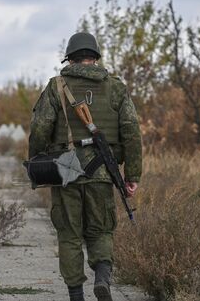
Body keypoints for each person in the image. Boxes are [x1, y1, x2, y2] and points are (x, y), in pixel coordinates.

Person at [28, 32, 142, 301]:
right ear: (95, 56)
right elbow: (132, 132)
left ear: (70, 57)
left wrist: (37, 161)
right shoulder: (116, 87)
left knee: (69, 234)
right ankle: (102, 278)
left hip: (65, 169)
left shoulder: (56, 86)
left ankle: (76, 295)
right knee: (101, 230)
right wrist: (132, 174)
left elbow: (40, 127)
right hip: (103, 170)